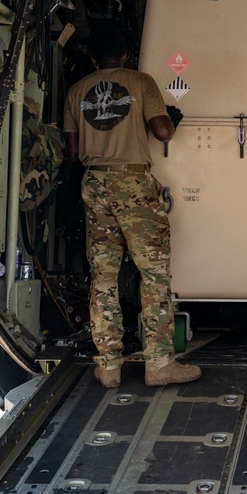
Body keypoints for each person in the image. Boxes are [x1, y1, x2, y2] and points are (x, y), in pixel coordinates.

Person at [63, 24, 201, 389]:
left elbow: (74, 153)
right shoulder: (141, 82)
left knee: (104, 275)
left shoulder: (77, 90)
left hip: (94, 184)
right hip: (133, 183)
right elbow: (163, 132)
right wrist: (169, 118)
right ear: (125, 56)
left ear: (94, 59)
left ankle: (108, 366)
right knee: (152, 273)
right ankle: (159, 364)